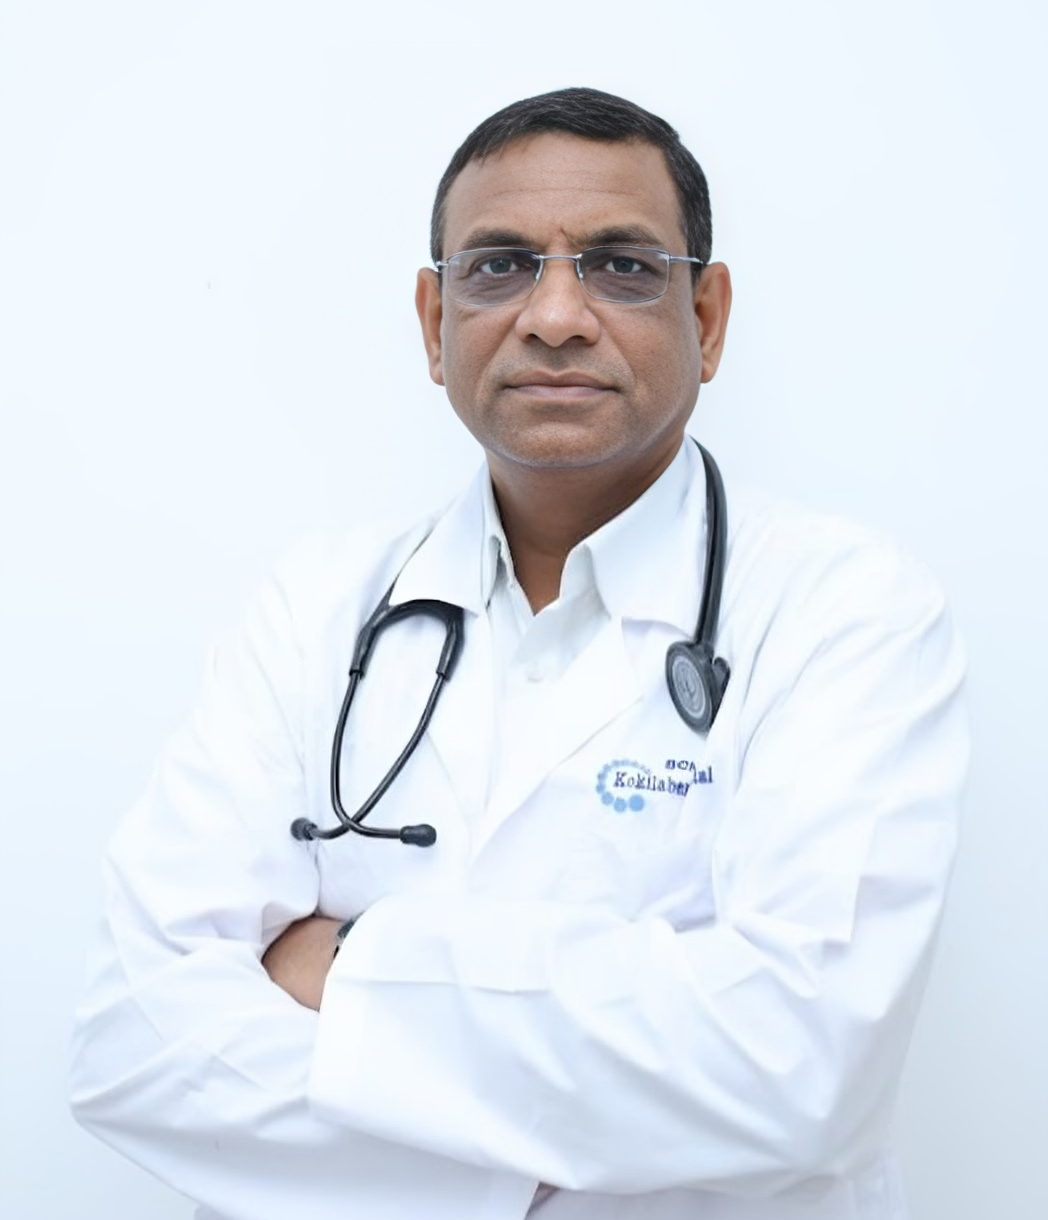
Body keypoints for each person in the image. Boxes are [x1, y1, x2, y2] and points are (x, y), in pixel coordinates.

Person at [70, 87, 968, 1220]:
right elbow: (133, 1044)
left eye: (620, 267)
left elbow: (796, 1065)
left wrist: (347, 965)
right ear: (433, 322)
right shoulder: (311, 609)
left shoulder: (846, 610)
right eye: (497, 267)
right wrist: (549, 1163)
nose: (553, 315)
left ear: (711, 314)